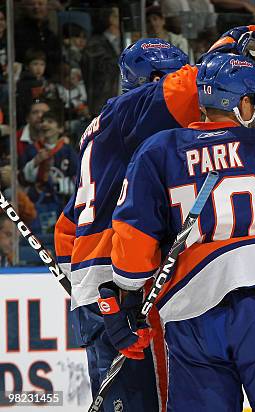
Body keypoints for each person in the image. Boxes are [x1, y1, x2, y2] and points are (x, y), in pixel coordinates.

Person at [103, 52, 255, 411]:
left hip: (188, 314)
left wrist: (126, 293)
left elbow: (132, 255)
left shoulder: (158, 149)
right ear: (245, 102)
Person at [54, 38, 189, 412]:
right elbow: (195, 85)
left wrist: (79, 284)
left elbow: (67, 224)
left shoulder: (101, 131)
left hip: (98, 287)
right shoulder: (130, 112)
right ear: (155, 81)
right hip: (119, 285)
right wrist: (226, 51)